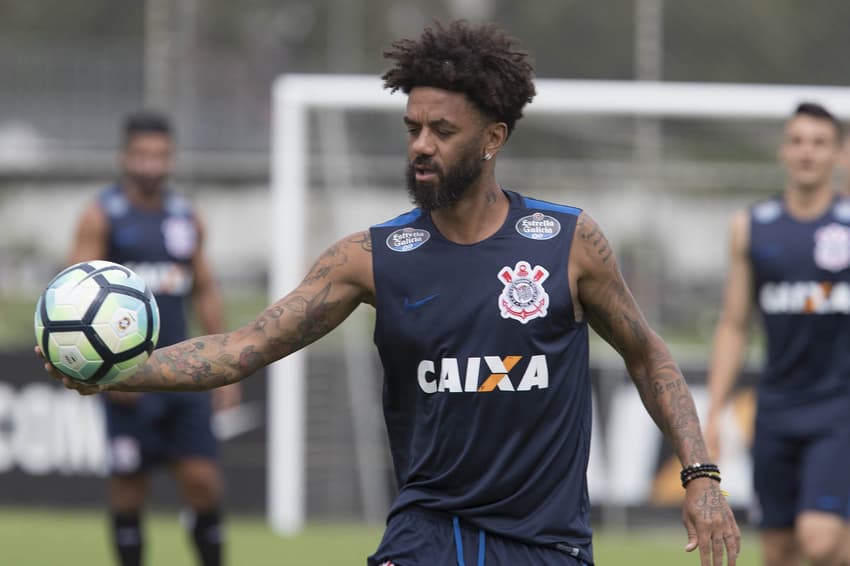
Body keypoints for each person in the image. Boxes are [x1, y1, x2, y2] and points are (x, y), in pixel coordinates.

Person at [45, 21, 739, 566]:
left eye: (442, 131)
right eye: (412, 129)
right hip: (425, 532)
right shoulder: (370, 258)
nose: (420, 146)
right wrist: (120, 371)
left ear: (493, 138)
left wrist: (701, 474)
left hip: (546, 542)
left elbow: (648, 355)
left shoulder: (567, 241)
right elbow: (242, 348)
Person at [67, 110, 238, 566]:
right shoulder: (101, 215)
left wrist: (226, 366)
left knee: (203, 482)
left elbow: (205, 288)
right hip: (127, 378)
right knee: (129, 487)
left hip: (184, 374)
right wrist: (103, 371)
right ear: (125, 157)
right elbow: (73, 297)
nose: (151, 165)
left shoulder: (185, 217)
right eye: (142, 155)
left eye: (161, 155)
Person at [704, 102, 850, 566]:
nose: (807, 152)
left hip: (839, 409)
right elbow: (734, 324)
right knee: (779, 552)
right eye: (798, 141)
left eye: (819, 143)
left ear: (839, 154)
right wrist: (715, 411)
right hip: (777, 410)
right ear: (783, 150)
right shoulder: (751, 226)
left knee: (820, 540)